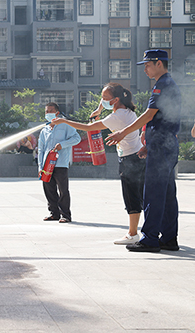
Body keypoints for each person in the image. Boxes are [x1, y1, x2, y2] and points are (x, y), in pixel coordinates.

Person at [106, 49, 181, 252]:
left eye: (147, 65)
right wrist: (149, 142)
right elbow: (162, 119)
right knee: (166, 194)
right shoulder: (167, 84)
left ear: (159, 63)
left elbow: (149, 115)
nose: (145, 69)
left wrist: (122, 132)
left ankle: (150, 239)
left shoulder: (162, 85)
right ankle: (169, 238)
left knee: (153, 194)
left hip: (162, 147)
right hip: (164, 145)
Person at [52, 83, 146, 244]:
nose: (102, 101)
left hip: (130, 159)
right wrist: (99, 109)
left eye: (105, 99)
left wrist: (64, 121)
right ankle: (136, 232)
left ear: (116, 100)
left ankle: (132, 233)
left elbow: (89, 127)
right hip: (133, 157)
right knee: (135, 196)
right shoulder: (126, 109)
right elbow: (105, 104)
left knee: (132, 198)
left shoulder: (118, 117)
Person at [38, 102, 81, 223]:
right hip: (47, 165)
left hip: (60, 163)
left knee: (63, 190)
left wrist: (62, 145)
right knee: (49, 189)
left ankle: (65, 215)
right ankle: (54, 213)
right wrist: (40, 167)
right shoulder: (44, 130)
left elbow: (76, 138)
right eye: (46, 111)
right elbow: (40, 150)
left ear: (57, 113)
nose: (48, 113)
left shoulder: (65, 125)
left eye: (51, 111)